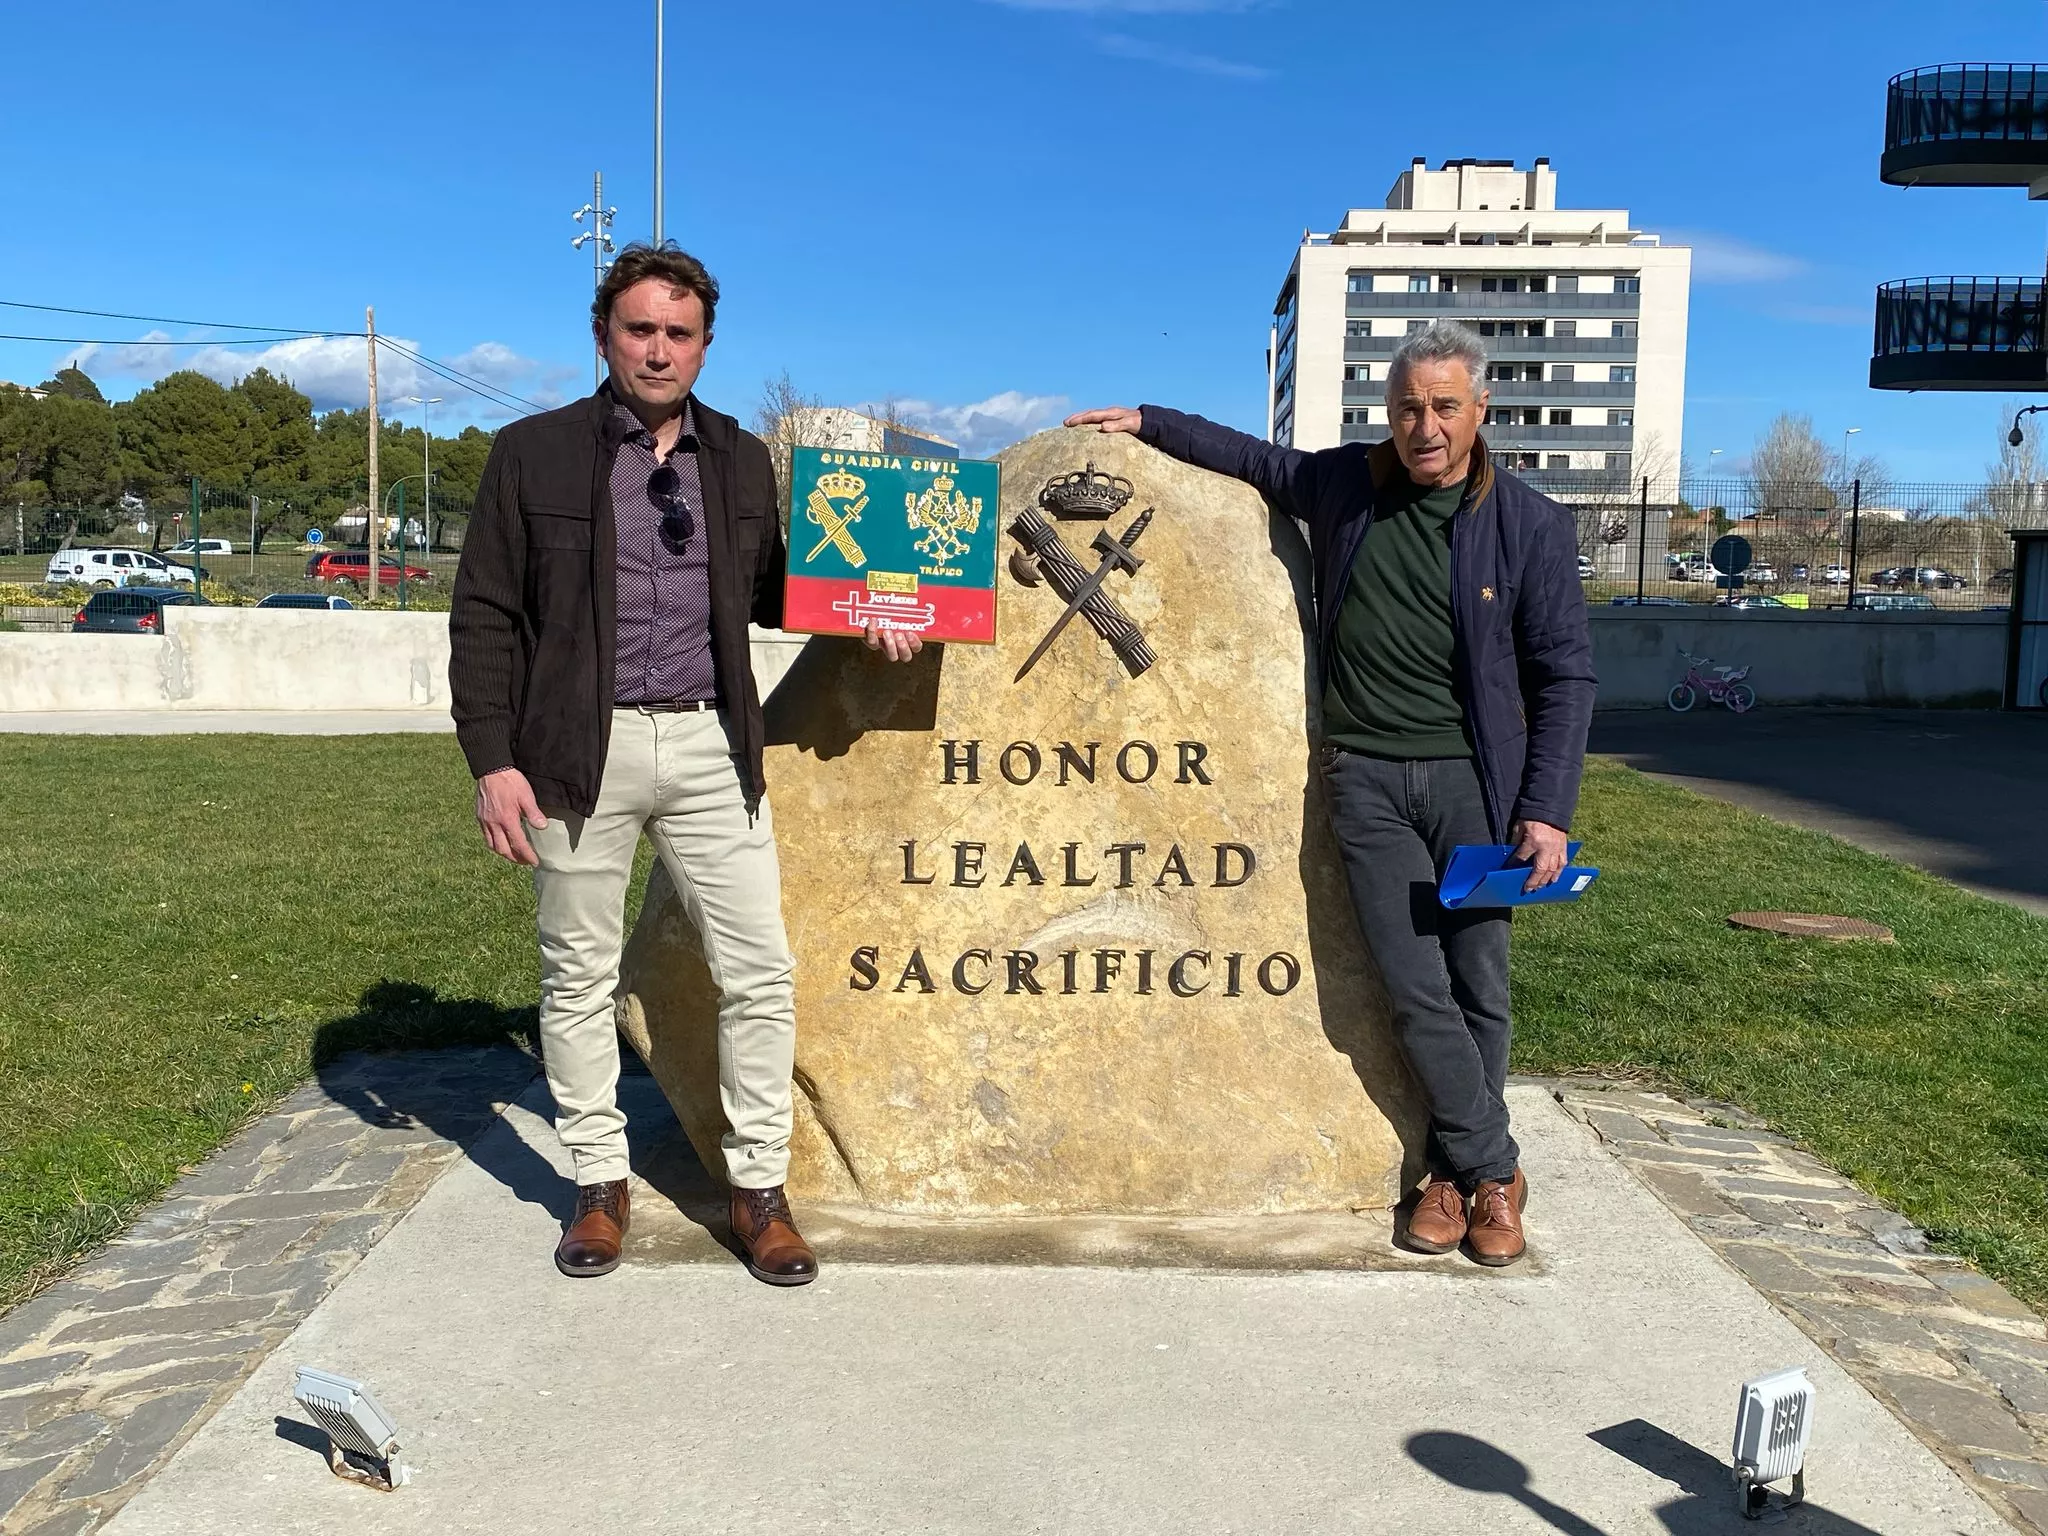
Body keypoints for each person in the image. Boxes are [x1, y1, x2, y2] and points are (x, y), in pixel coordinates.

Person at [1067, 320, 1594, 1266]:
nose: (1422, 426)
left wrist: (1547, 808)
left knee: (1479, 983)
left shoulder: (1532, 524)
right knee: (1412, 985)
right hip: (1368, 782)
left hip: (1477, 789)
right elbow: (1253, 460)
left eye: (1442, 407)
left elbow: (1565, 677)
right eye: (1406, 407)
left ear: (1479, 411)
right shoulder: (1348, 484)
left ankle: (1452, 1173)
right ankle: (1493, 1172)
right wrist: (1150, 421)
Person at [450, 243, 919, 1286]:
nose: (658, 351)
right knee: (575, 979)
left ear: (705, 345)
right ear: (602, 334)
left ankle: (758, 1190)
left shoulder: (743, 460)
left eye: (679, 333)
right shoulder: (530, 455)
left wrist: (875, 610)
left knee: (757, 972)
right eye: (639, 329)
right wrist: (492, 759)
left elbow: (772, 592)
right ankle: (598, 1184)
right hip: (575, 750)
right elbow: (483, 615)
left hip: (711, 745)